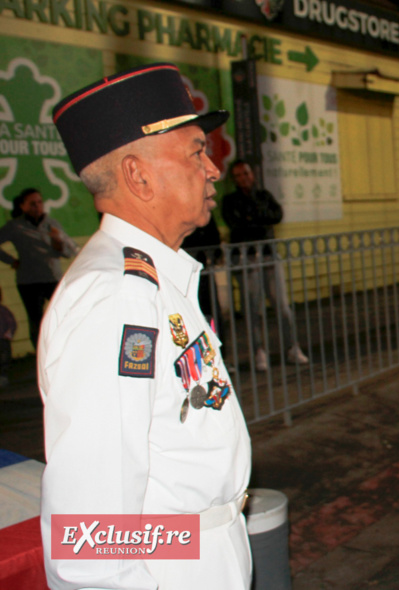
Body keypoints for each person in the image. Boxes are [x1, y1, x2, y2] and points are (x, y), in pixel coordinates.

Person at [41, 63, 253, 589]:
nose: (213, 170)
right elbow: (90, 541)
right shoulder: (118, 297)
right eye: (196, 152)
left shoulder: (153, 278)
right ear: (138, 175)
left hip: (199, 554)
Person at [222, 160, 308, 370]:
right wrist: (258, 219)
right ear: (234, 179)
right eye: (238, 175)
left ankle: (292, 347)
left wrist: (253, 216)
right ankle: (258, 351)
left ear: (252, 174)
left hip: (269, 256)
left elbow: (276, 215)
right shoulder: (230, 200)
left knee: (282, 305)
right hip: (246, 258)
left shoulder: (264, 196)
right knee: (252, 308)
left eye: (246, 173)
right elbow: (237, 224)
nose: (244, 178)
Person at [0, 187, 78, 349]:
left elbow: (68, 252)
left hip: (52, 277)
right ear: (22, 206)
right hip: (29, 281)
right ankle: (40, 353)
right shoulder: (15, 226)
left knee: (65, 313)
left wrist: (58, 242)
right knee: (36, 319)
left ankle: (68, 348)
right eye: (32, 204)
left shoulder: (51, 224)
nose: (37, 207)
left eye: (39, 202)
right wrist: (11, 261)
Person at [0, 285, 16, 387]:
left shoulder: (3, 310)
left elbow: (11, 323)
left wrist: (9, 332)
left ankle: (3, 376)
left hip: (2, 339)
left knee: (4, 358)